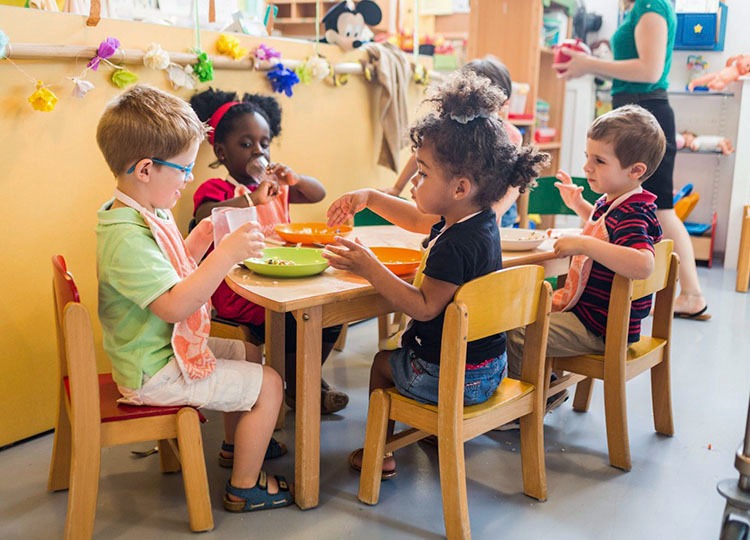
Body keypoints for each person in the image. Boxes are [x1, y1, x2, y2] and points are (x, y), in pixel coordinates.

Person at [324, 71, 549, 476]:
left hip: (451, 377)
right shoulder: (475, 223)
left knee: (381, 363)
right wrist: (371, 197)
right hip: (490, 369)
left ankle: (380, 452)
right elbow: (414, 217)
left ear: (460, 187)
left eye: (422, 174)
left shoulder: (454, 245)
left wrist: (368, 267)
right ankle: (426, 426)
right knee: (403, 352)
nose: (414, 183)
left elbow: (424, 308)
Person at [95, 85, 293, 512]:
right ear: (146, 168)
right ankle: (244, 486)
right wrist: (224, 255)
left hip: (156, 351)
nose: (189, 178)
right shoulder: (126, 235)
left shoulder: (143, 210)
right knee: (271, 384)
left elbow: (166, 272)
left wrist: (196, 243)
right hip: (154, 371)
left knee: (247, 349)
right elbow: (172, 304)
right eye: (183, 169)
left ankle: (233, 445)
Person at [189, 88, 349, 415]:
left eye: (264, 143)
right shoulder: (218, 189)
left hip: (281, 279)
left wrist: (295, 178)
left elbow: (317, 193)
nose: (257, 151)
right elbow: (205, 213)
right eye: (245, 144)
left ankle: (301, 378)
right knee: (298, 318)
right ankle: (301, 385)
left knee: (330, 315)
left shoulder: (275, 187)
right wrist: (251, 199)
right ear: (221, 151)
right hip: (239, 290)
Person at [553, 0, 710, 320]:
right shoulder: (642, 7)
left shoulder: (651, 5)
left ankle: (692, 292)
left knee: (661, 210)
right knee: (653, 210)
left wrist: (589, 64)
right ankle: (691, 292)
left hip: (645, 111)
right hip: (637, 108)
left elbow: (649, 70)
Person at [506, 105, 665, 412]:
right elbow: (605, 230)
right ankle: (546, 384)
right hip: (597, 319)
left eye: (599, 161)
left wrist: (584, 244)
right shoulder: (617, 204)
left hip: (598, 327)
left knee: (518, 330)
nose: (587, 167)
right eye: (588, 156)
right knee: (522, 313)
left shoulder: (633, 214)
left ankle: (522, 405)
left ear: (636, 170)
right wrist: (579, 205)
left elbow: (643, 263)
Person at [382, 55, 525, 228]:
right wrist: (397, 188)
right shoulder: (454, 128)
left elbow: (515, 182)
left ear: (504, 104)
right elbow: (421, 156)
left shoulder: (510, 135)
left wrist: (496, 211)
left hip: (492, 209)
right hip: (457, 205)